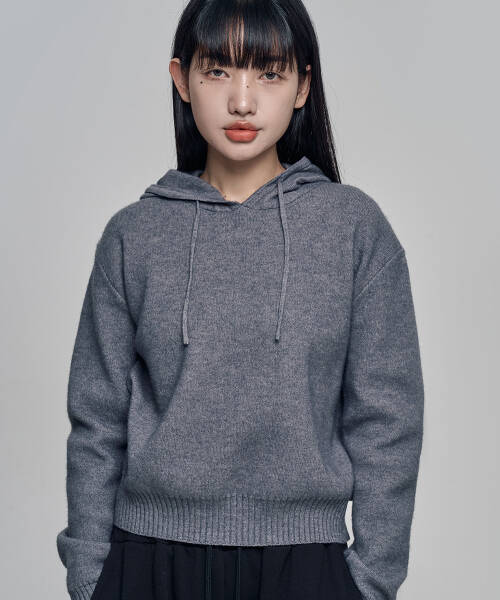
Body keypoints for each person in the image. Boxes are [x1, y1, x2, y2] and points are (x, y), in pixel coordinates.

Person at [56, 1, 425, 599]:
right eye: (218, 71)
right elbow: (96, 418)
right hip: (146, 560)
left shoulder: (353, 229)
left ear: (303, 86)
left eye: (270, 73)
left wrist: (371, 581)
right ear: (181, 79)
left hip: (305, 566)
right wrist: (90, 574)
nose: (243, 102)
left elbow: (388, 419)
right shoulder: (134, 236)